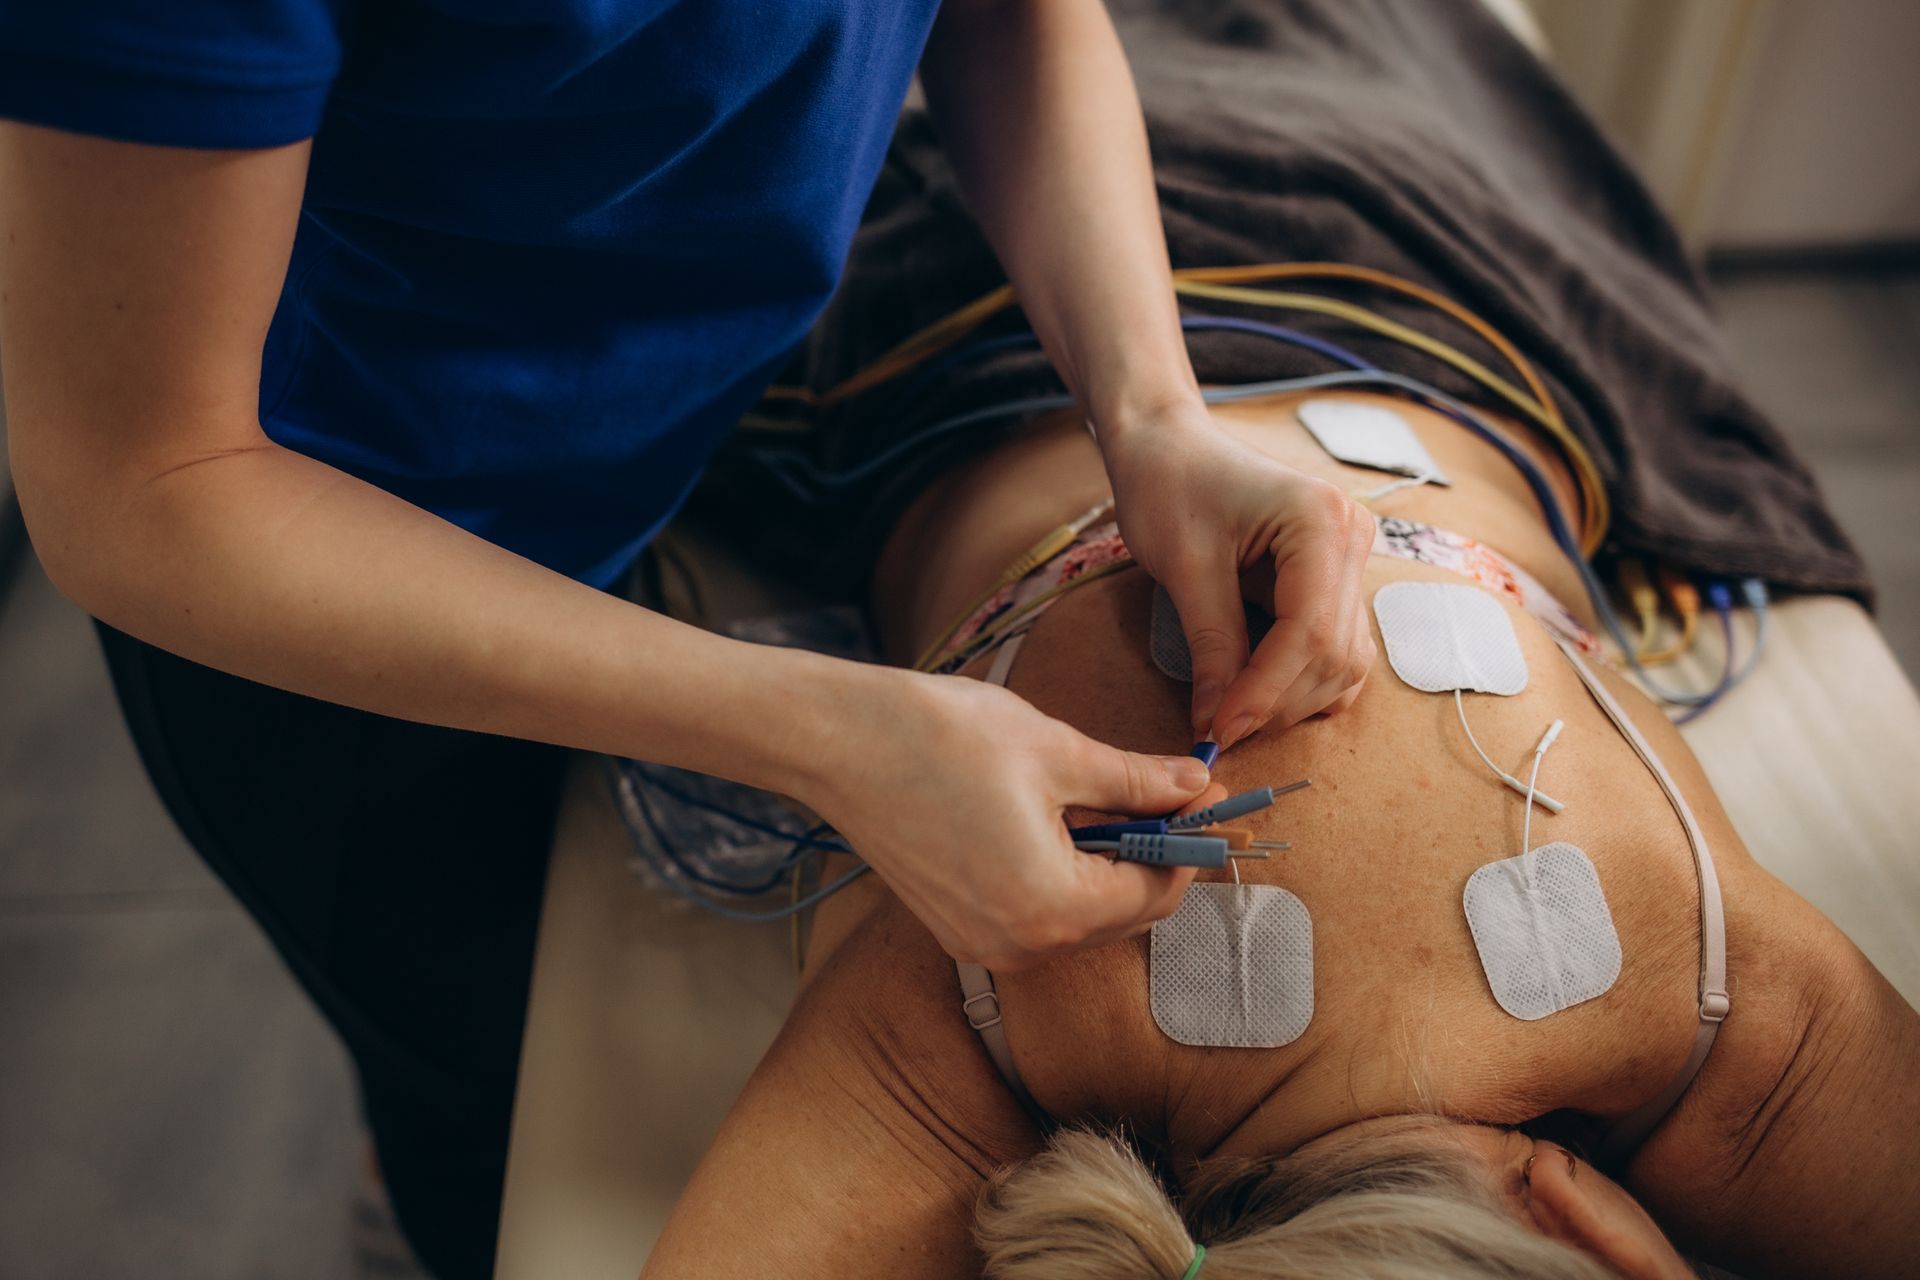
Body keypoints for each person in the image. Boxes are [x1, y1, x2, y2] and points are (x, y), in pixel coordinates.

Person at [0, 3, 1376, 1275]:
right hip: (320, 630)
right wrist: (827, 732)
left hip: (669, 420)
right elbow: (140, 490)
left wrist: (1151, 416)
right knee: (480, 1112)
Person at [642, 385, 1920, 1280]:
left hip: (1416, 308)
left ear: (1588, 1235)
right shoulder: (998, 997)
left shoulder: (1692, 992)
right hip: (994, 350)